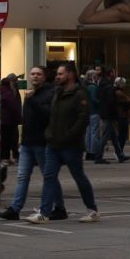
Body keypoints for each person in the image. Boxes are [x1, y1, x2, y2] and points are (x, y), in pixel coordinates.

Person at [29, 63, 100, 224]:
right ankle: (44, 212)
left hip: (71, 145)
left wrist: (70, 135)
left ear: (70, 75)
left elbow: (83, 119)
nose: (57, 76)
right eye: (57, 74)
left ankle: (92, 209)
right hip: (53, 143)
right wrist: (49, 133)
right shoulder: (58, 92)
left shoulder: (79, 94)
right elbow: (52, 115)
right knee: (49, 176)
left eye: (61, 74)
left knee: (79, 176)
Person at [0, 66, 56, 220]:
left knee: (48, 176)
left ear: (44, 77)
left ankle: (59, 207)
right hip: (27, 143)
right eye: (32, 74)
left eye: (38, 74)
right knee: (22, 176)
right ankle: (15, 209)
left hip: (41, 143)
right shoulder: (30, 94)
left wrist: (33, 100)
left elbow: (47, 115)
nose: (35, 76)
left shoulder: (49, 93)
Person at [0, 75, 21, 186]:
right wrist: (19, 118)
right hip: (9, 121)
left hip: (1, 121)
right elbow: (14, 107)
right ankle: (5, 158)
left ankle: (3, 158)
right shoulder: (9, 93)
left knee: (3, 140)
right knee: (9, 139)